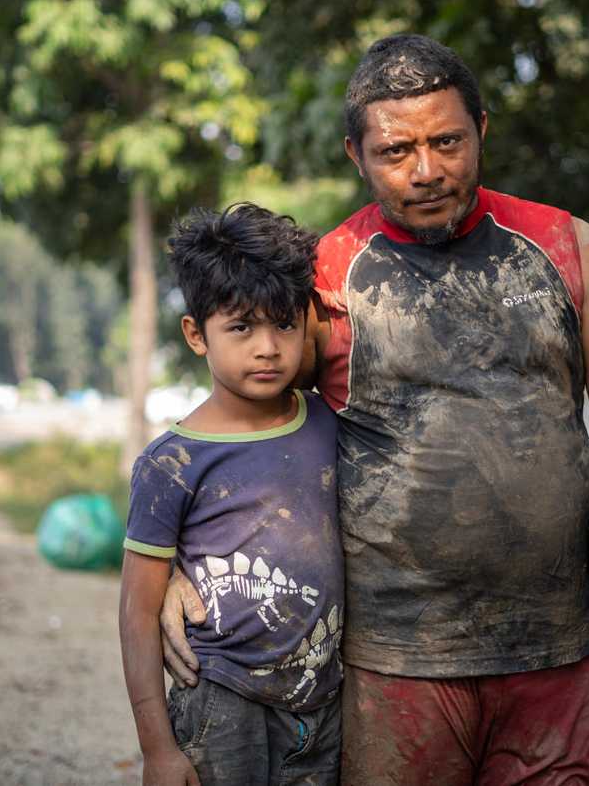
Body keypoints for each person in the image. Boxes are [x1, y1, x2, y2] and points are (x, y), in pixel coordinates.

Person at [161, 35, 589, 785]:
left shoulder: (571, 250)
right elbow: (243, 415)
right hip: (395, 663)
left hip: (554, 653)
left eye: (448, 141)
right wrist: (182, 562)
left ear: (482, 128)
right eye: (395, 151)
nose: (426, 170)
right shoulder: (326, 278)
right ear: (356, 154)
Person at [119, 204, 345, 786]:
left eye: (283, 324)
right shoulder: (172, 463)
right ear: (197, 334)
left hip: (323, 698)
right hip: (221, 700)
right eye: (241, 327)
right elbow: (138, 612)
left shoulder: (326, 420)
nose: (267, 347)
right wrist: (157, 750)